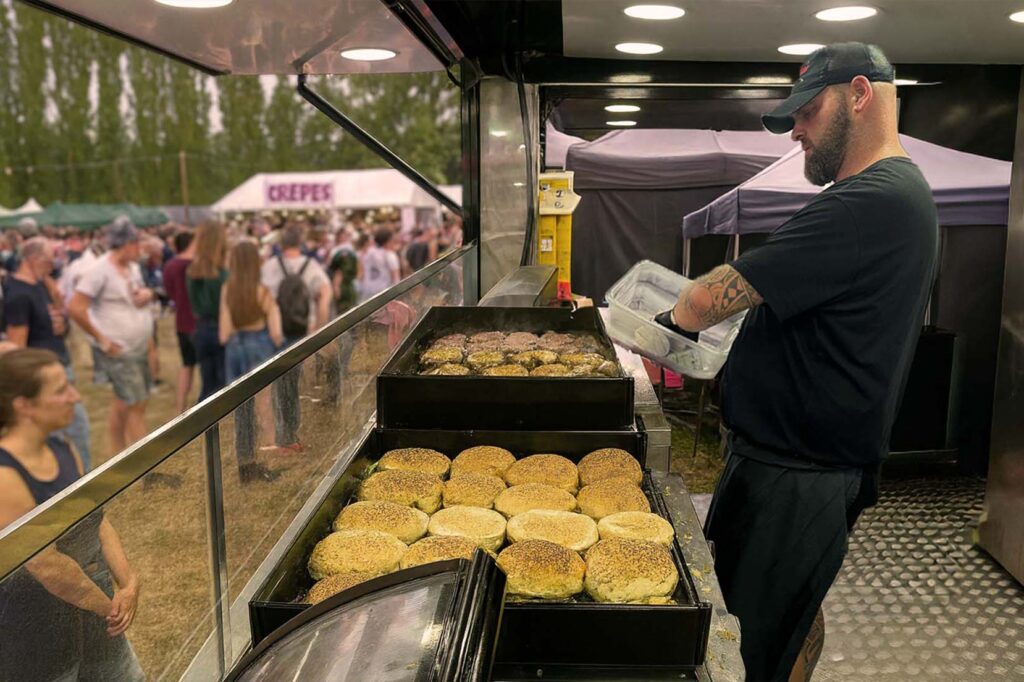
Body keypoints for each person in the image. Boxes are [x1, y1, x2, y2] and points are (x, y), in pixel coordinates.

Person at [655, 43, 938, 682]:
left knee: (745, 651)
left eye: (807, 112)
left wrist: (668, 324)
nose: (798, 132)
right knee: (790, 617)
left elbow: (702, 302)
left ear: (859, 94)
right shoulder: (898, 193)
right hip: (801, 466)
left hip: (796, 476)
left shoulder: (870, 202)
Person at [0, 348, 143, 681]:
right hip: (36, 637)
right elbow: (47, 566)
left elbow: (97, 520)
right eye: (61, 390)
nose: (75, 397)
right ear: (24, 405)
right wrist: (111, 609)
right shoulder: (5, 476)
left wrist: (129, 583)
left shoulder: (62, 446)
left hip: (96, 614)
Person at [4, 237, 92, 471]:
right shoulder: (18, 295)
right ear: (33, 259)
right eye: (49, 258)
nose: (53, 263)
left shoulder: (40, 284)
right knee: (76, 431)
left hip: (59, 367)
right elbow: (17, 349)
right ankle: (84, 488)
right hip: (43, 380)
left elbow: (57, 316)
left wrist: (57, 304)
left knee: (72, 434)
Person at [69, 219, 156, 457]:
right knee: (136, 404)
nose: (140, 247)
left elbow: (135, 295)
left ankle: (117, 456)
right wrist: (103, 340)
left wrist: (147, 294)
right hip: (119, 350)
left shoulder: (132, 268)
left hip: (136, 347)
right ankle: (147, 466)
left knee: (125, 403)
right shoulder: (99, 271)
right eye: (136, 242)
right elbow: (76, 308)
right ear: (127, 244)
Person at [260, 223, 331, 452]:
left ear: (281, 243)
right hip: (301, 330)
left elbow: (260, 297)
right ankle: (287, 434)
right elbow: (324, 294)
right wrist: (318, 328)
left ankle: (284, 434)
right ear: (300, 242)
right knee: (290, 383)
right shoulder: (311, 267)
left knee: (279, 383)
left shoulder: (270, 266)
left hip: (274, 331)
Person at [220, 241, 282, 483]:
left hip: (235, 348)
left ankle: (244, 461)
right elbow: (276, 332)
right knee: (264, 404)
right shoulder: (262, 291)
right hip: (259, 345)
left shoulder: (228, 289)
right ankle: (265, 450)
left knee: (241, 409)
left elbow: (224, 333)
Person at [187, 221, 227, 403]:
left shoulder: (192, 272)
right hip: (221, 328)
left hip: (201, 328)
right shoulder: (222, 275)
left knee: (207, 384)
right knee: (223, 385)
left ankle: (206, 425)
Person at [163, 230, 197, 414]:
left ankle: (180, 406)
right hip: (197, 322)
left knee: (187, 365)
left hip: (182, 322)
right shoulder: (195, 265)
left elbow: (170, 294)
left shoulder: (170, 266)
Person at [359, 227, 401, 302]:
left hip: (368, 292)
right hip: (383, 294)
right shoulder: (390, 255)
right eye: (393, 240)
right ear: (388, 241)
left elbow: (362, 272)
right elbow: (396, 278)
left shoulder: (368, 252)